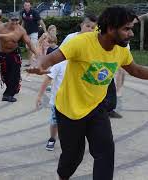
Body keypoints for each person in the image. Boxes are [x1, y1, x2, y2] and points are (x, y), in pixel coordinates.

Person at [27, 6, 148, 180]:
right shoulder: (82, 42)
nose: (131, 34)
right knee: (73, 158)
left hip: (96, 108)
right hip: (69, 109)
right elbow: (51, 58)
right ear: (110, 28)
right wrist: (39, 64)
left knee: (105, 152)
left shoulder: (121, 48)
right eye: (126, 29)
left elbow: (136, 70)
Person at [36, 15, 97, 152]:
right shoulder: (62, 62)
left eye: (93, 28)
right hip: (58, 100)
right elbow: (49, 75)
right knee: (55, 122)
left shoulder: (86, 62)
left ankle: (73, 142)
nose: (90, 29)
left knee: (75, 123)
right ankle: (52, 138)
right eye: (87, 26)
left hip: (77, 98)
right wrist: (39, 95)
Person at [0, 12, 39, 102]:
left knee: (14, 74)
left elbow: (29, 43)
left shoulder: (21, 30)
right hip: (2, 55)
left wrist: (38, 54)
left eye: (16, 20)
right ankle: (12, 88)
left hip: (14, 54)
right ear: (8, 20)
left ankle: (7, 94)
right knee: (5, 76)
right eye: (12, 20)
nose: (15, 22)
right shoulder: (1, 28)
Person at [21, 0, 46, 67]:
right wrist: (20, 30)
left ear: (30, 6)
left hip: (34, 32)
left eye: (28, 5)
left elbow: (41, 22)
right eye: (25, 5)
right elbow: (23, 22)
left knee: (33, 47)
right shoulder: (23, 12)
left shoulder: (34, 12)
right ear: (24, 6)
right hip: (26, 33)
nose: (26, 7)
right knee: (28, 48)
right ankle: (30, 62)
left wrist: (45, 31)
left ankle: (38, 62)